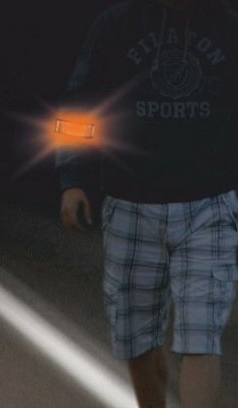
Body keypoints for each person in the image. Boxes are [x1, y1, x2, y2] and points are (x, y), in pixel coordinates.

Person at [55, 0, 238, 406]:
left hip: (209, 204)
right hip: (130, 202)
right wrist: (73, 179)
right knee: (138, 341)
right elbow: (81, 103)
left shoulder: (229, 25)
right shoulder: (117, 24)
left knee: (202, 336)